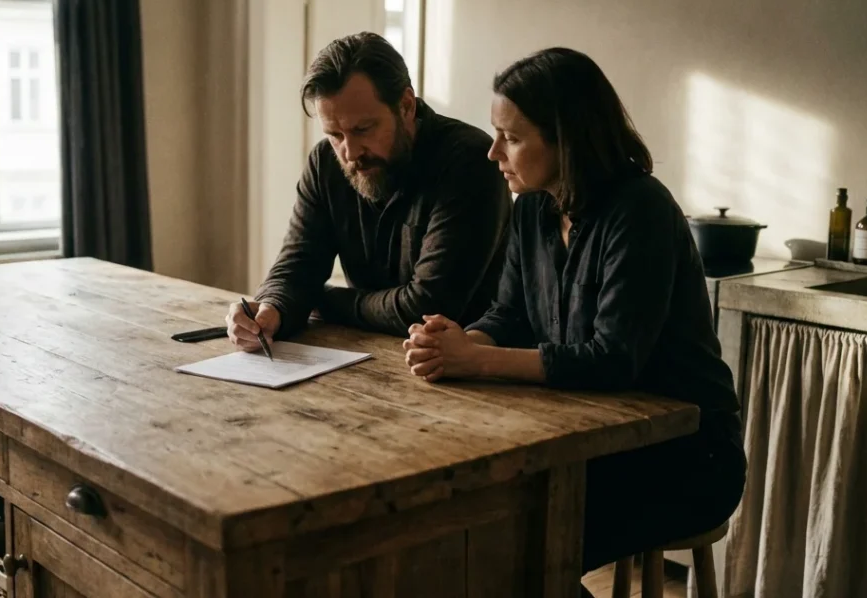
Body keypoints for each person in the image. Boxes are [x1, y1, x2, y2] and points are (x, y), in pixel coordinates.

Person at [401, 47, 746, 593]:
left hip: (685, 455)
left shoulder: (641, 210)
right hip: (591, 442)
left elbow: (613, 359)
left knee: (513, 542)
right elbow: (510, 313)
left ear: (567, 139)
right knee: (475, 528)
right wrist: (458, 341)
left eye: (511, 138)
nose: (493, 152)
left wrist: (477, 360)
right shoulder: (532, 208)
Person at [226, 32, 512, 349]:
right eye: (335, 134)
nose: (350, 152)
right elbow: (298, 263)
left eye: (363, 129)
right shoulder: (326, 162)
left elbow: (427, 307)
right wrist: (272, 308)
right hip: (363, 354)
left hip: (467, 365)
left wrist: (319, 300)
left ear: (406, 106)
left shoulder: (469, 159)